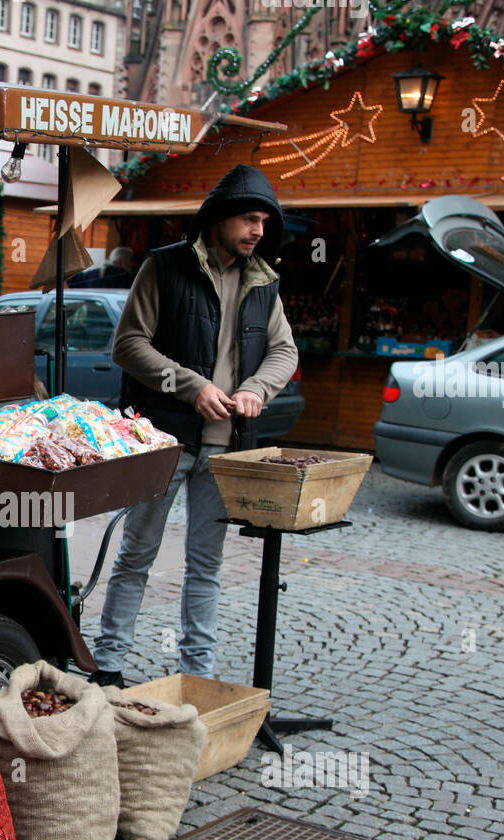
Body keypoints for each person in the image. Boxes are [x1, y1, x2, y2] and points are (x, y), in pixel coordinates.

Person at [89, 164, 298, 687]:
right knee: (137, 554)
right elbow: (128, 345)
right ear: (220, 218)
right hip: (163, 439)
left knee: (206, 566)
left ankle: (197, 676)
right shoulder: (164, 268)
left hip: (227, 450)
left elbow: (285, 350)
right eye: (249, 219)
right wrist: (191, 386)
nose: (258, 231)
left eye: (264, 223)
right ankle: (109, 667)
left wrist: (255, 390)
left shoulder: (264, 283)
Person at [69, 245, 136, 289]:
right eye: (131, 260)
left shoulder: (97, 272)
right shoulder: (125, 278)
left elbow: (74, 281)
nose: (133, 264)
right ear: (121, 261)